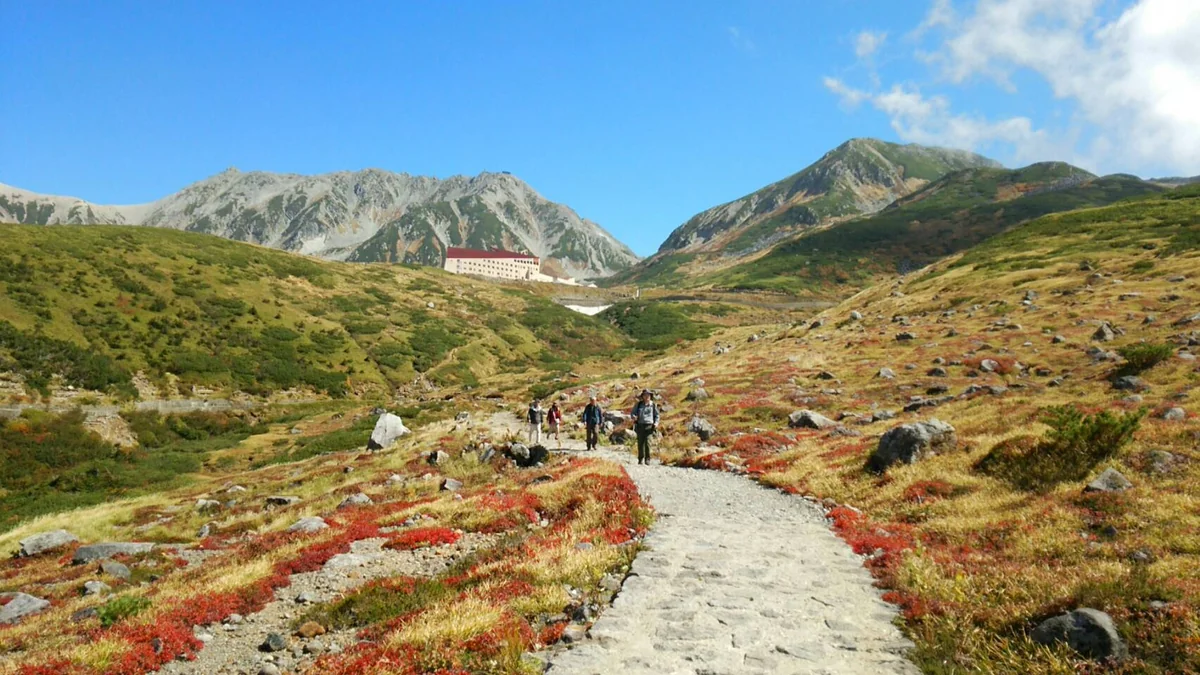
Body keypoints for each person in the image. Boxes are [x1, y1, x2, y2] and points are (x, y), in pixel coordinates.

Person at [630, 389, 659, 465]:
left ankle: (647, 459)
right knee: (640, 443)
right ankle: (640, 459)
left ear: (650, 396)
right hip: (640, 426)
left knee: (648, 443)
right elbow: (632, 413)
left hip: (649, 426)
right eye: (645, 395)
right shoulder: (639, 405)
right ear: (642, 396)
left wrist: (656, 423)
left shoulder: (653, 405)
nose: (647, 397)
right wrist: (634, 417)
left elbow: (657, 415)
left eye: (648, 395)